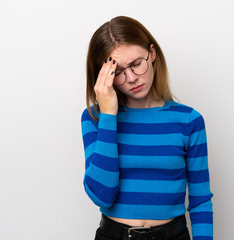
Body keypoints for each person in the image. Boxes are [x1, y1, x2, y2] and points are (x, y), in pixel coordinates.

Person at [81, 16, 214, 240]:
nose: (131, 78)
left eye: (136, 64)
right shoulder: (95, 118)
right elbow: (102, 196)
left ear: (152, 53)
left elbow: (200, 200)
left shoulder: (189, 120)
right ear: (105, 77)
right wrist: (108, 116)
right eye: (118, 72)